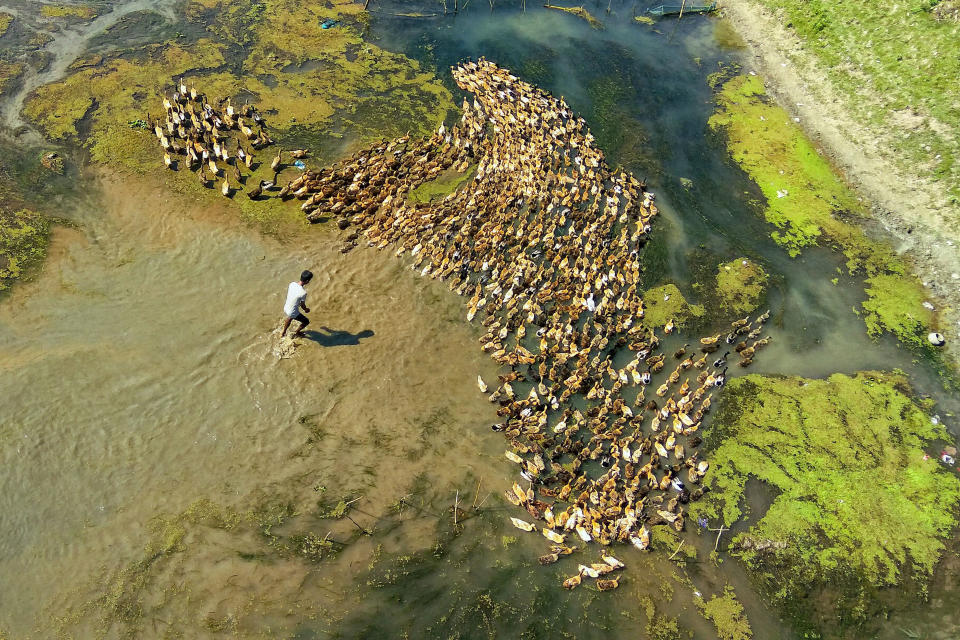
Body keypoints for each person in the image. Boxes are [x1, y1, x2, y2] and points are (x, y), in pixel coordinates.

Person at [281, 270, 313, 338]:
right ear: (307, 281)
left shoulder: (292, 284)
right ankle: (297, 332)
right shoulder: (303, 293)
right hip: (292, 311)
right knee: (306, 321)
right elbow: (302, 305)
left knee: (290, 317)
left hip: (286, 307)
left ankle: (283, 332)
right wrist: (306, 310)